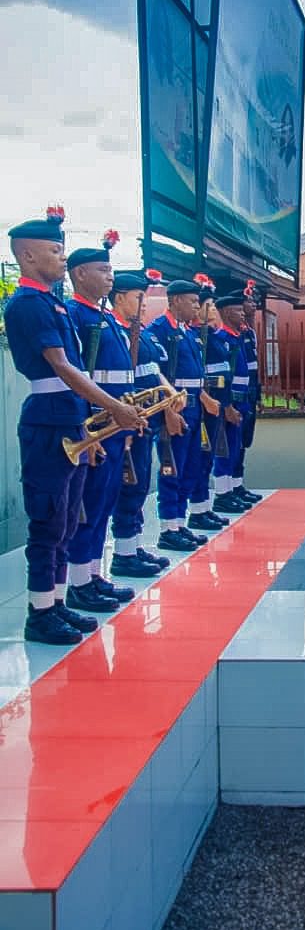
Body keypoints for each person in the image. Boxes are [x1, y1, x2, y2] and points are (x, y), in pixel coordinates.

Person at [4, 212, 144, 644]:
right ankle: (40, 611)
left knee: (67, 520)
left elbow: (75, 368)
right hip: (48, 422)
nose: (61, 258)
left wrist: (91, 432)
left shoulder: (53, 303)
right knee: (47, 522)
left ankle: (59, 602)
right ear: (27, 256)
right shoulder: (27, 304)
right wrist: (116, 410)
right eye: (54, 250)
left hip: (70, 422)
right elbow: (63, 367)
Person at [65, 235, 142, 610]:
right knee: (88, 504)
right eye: (103, 269)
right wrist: (86, 430)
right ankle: (79, 581)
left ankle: (94, 574)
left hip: (115, 425)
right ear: (80, 274)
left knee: (104, 501)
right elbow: (77, 378)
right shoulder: (76, 316)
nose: (110, 277)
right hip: (94, 426)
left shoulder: (102, 317)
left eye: (110, 269)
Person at [109, 270, 172, 575]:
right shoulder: (115, 332)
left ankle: (132, 547)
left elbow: (152, 371)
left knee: (139, 486)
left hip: (145, 420)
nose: (144, 304)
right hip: (125, 422)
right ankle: (122, 554)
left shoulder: (142, 333)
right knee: (126, 487)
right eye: (138, 297)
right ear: (119, 298)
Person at [146, 279, 215, 550]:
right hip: (174, 410)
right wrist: (167, 411)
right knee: (171, 468)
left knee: (190, 467)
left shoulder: (186, 332)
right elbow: (158, 376)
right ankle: (168, 528)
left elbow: (196, 377)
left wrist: (203, 397)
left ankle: (180, 523)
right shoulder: (159, 331)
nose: (197, 307)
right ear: (174, 301)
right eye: (192, 302)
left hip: (194, 407)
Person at [186, 276, 232, 531]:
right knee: (198, 459)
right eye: (209, 306)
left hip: (217, 405)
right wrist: (206, 398)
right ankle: (196, 510)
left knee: (207, 459)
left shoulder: (212, 335)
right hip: (202, 406)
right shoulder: (193, 335)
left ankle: (203, 507)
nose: (213, 310)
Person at [212, 295, 252, 514]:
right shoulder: (222, 338)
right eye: (238, 310)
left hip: (242, 401)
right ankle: (223, 493)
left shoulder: (238, 337)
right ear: (227, 313)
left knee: (237, 448)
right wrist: (228, 405)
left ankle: (234, 488)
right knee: (225, 450)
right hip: (230, 403)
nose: (243, 314)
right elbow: (224, 378)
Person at [228, 280, 263, 504]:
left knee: (244, 442)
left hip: (250, 391)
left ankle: (238, 484)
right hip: (237, 395)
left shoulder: (248, 332)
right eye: (248, 301)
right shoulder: (233, 335)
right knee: (233, 442)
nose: (253, 305)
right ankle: (229, 487)